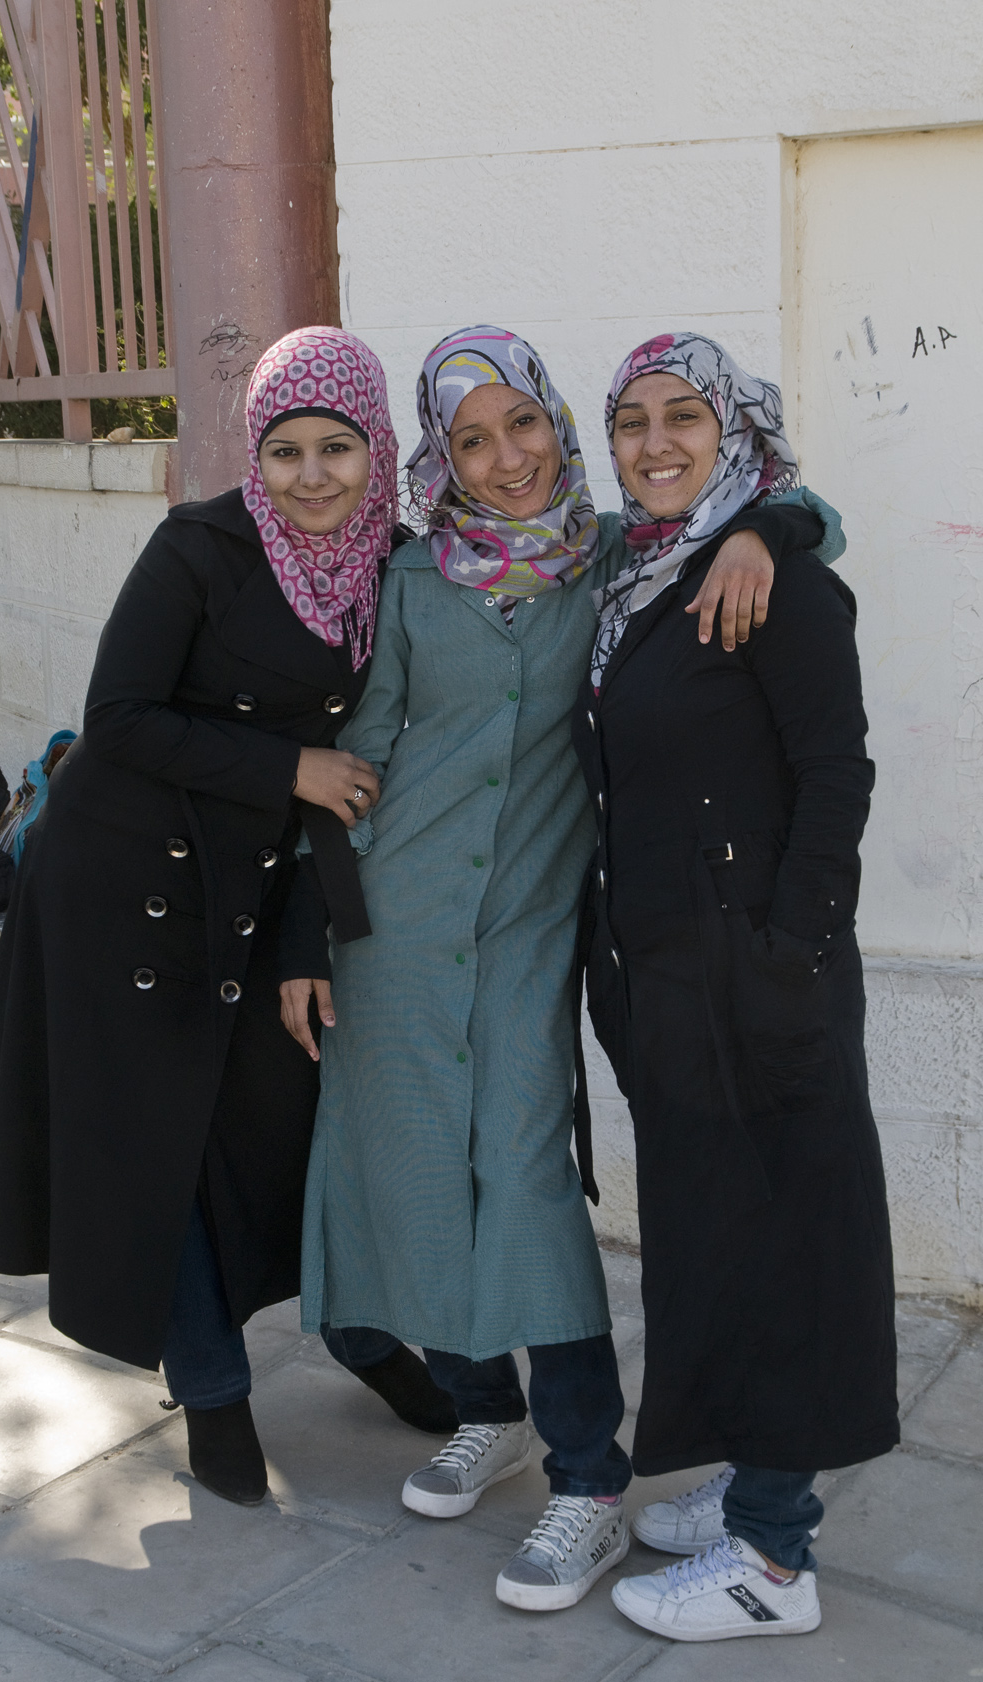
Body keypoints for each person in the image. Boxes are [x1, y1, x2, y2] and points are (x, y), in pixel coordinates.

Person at [284, 326, 836, 1610]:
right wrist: (311, 930)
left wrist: (771, 531)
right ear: (444, 455)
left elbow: (797, 505)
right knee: (414, 1167)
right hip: (397, 926)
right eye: (472, 439)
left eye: (522, 424)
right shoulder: (411, 575)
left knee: (525, 1176)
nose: (506, 458)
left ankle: (588, 1478)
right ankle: (488, 1408)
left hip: (534, 926)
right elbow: (357, 760)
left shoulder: (623, 554)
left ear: (557, 423)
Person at [0, 327, 458, 1511]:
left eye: (337, 447)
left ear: (379, 449)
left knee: (295, 1116)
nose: (312, 476)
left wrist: (773, 526)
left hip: (264, 878)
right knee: (157, 1132)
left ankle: (359, 1329)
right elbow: (118, 716)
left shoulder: (398, 563)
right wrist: (288, 766)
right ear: (254, 453)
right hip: (121, 877)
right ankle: (214, 1385)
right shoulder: (199, 547)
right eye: (285, 450)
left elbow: (370, 754)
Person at [572, 332, 898, 1642]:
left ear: (735, 430)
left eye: (684, 417)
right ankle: (758, 1471)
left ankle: (772, 1557)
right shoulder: (640, 570)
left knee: (784, 1240)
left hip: (758, 973)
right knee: (716, 1235)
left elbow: (837, 772)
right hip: (671, 976)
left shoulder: (780, 581)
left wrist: (791, 953)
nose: (655, 443)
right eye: (632, 421)